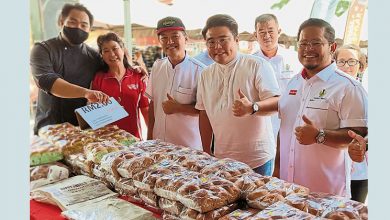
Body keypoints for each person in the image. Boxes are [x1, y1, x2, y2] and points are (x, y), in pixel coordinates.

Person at [277, 18, 368, 197]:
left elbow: (359, 137)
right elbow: (284, 129)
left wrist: (319, 136)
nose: (308, 48)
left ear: (332, 48)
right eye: (303, 43)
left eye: (316, 43)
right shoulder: (293, 82)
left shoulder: (349, 87)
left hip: (326, 193)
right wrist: (277, 169)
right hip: (288, 189)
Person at [196, 14, 280, 175]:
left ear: (236, 39)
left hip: (257, 159)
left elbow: (277, 102)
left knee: (256, 200)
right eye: (211, 42)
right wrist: (206, 152)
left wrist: (253, 107)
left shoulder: (256, 65)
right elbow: (204, 113)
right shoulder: (205, 74)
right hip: (222, 159)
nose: (217, 46)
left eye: (223, 39)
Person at [30, 3, 110, 134]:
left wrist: (133, 68)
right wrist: (85, 92)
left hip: (81, 128)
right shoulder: (43, 49)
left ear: (89, 29)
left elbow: (111, 72)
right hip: (49, 127)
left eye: (84, 25)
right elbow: (47, 80)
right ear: (61, 22)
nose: (79, 27)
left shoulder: (94, 56)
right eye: (73, 22)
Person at [146, 16, 205, 150]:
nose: (170, 41)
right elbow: (153, 103)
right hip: (159, 146)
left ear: (186, 39)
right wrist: (149, 137)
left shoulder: (200, 71)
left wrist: (179, 108)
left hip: (188, 148)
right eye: (164, 38)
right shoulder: (157, 66)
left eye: (175, 36)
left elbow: (207, 112)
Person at [252, 14, 302, 145]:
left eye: (270, 31)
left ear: (279, 31)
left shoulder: (295, 59)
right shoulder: (250, 62)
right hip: (261, 122)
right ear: (255, 35)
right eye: (261, 32)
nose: (266, 36)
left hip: (290, 121)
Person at [91, 32, 149, 139]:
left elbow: (145, 110)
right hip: (108, 142)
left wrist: (152, 139)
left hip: (134, 140)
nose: (112, 54)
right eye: (106, 51)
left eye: (115, 48)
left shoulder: (138, 76)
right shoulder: (98, 78)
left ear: (122, 50)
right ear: (102, 55)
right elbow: (95, 115)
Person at [334, 44, 368, 203]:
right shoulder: (329, 90)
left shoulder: (367, 91)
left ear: (361, 66)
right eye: (341, 61)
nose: (346, 66)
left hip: (360, 169)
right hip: (334, 167)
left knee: (355, 210)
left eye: (351, 62)